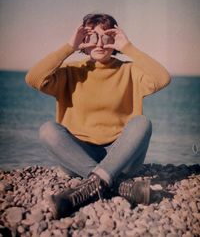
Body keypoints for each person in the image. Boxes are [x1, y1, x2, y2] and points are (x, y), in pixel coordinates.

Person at [25, 13, 171, 219]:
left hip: (123, 157)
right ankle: (118, 185)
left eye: (107, 37)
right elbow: (33, 78)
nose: (100, 44)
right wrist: (69, 47)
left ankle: (90, 186)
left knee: (142, 122)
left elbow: (162, 78)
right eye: (93, 37)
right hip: (77, 155)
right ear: (83, 42)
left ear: (115, 40)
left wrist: (128, 47)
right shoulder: (70, 71)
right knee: (47, 130)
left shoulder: (129, 71)